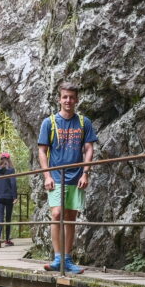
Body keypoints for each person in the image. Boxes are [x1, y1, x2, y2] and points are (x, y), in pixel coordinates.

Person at [38, 80, 98, 274]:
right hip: (56, 176)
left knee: (71, 217)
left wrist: (86, 172)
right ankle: (57, 258)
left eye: (71, 97)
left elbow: (89, 149)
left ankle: (67, 259)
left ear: (77, 100)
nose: (68, 100)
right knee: (56, 214)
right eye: (65, 97)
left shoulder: (83, 122)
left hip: (76, 176)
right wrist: (46, 176)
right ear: (59, 99)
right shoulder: (50, 122)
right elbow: (42, 150)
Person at [0, 152, 17, 248]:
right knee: (8, 218)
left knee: (0, 217)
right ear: (9, 159)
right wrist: (15, 196)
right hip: (9, 197)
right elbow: (13, 183)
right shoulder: (11, 170)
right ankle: (7, 240)